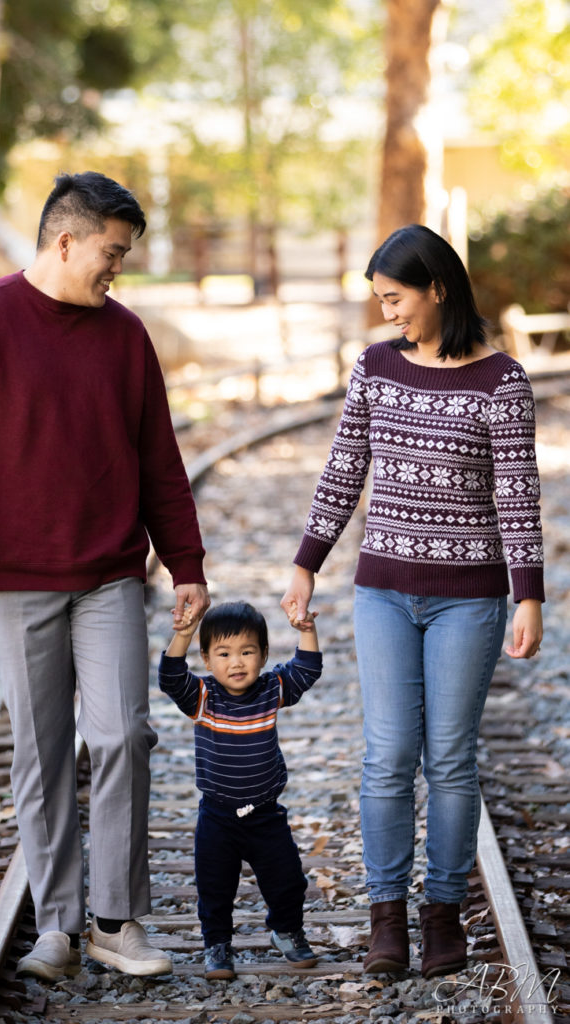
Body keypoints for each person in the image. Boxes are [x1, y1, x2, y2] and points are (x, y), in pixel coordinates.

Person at [0, 171, 210, 982]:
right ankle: (56, 925)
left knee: (125, 735)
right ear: (65, 241)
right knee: (43, 754)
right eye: (112, 253)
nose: (117, 268)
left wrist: (184, 563)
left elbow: (160, 460)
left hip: (111, 574)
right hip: (13, 579)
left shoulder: (125, 337)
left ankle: (117, 922)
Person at [281, 224, 544, 980]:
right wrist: (306, 563)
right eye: (379, 300)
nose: (387, 313)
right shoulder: (376, 367)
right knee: (389, 755)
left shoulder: (501, 381)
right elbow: (344, 468)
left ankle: (441, 913)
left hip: (468, 601)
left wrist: (527, 597)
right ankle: (386, 916)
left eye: (395, 298)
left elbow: (516, 499)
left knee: (450, 760)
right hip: (383, 595)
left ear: (436, 288)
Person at [158, 600, 322, 980]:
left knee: (287, 880)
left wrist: (307, 630)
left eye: (247, 652)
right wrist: (183, 633)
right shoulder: (203, 697)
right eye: (224, 653)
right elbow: (170, 677)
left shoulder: (271, 690)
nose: (236, 662)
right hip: (217, 816)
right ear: (206, 658)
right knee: (215, 887)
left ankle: (286, 931)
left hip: (265, 814)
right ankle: (217, 944)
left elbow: (308, 669)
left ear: (264, 655)